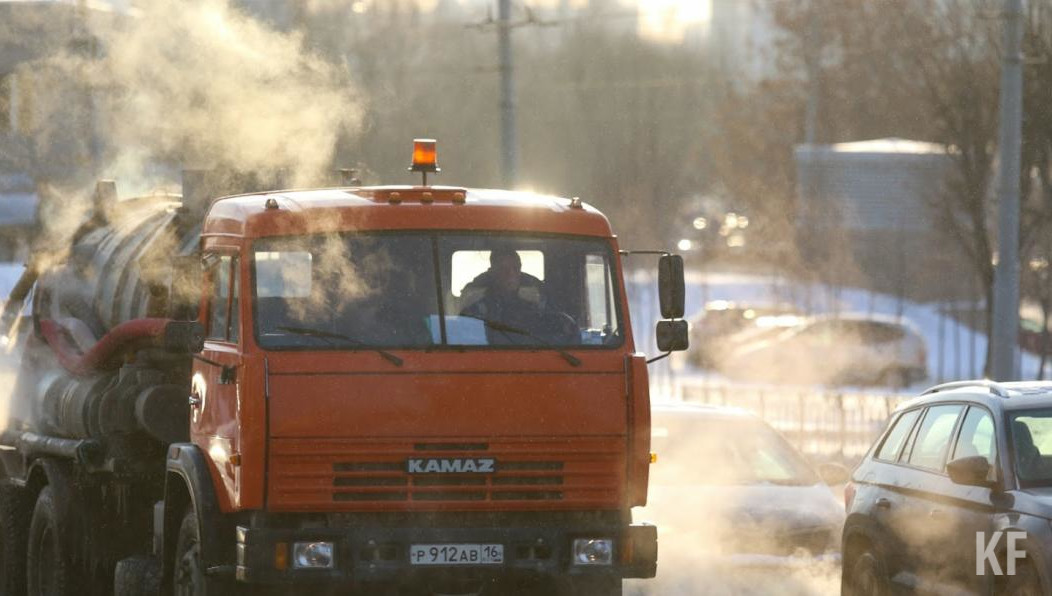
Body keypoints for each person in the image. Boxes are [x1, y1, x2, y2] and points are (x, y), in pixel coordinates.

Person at [459, 249, 554, 344]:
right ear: (492, 272)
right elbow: (465, 343)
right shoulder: (475, 309)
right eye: (503, 269)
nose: (511, 274)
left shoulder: (535, 308)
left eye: (515, 268)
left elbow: (549, 339)